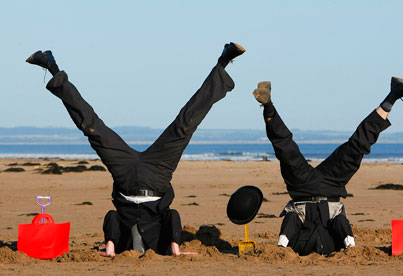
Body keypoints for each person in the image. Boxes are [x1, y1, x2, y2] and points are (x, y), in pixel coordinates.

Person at [26, 42, 245, 256]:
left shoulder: (124, 247)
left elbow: (112, 217)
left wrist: (110, 248)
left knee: (91, 127)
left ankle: (52, 66)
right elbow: (172, 217)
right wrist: (176, 249)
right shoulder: (160, 249)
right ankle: (223, 63)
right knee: (184, 125)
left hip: (126, 175)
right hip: (156, 176)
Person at [252, 77, 403, 256]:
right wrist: (350, 246)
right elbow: (339, 223)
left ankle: (393, 96)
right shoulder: (328, 246)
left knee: (355, 147)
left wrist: (281, 246)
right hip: (320, 188)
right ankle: (393, 95)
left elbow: (293, 222)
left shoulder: (308, 247)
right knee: (287, 148)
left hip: (317, 189)